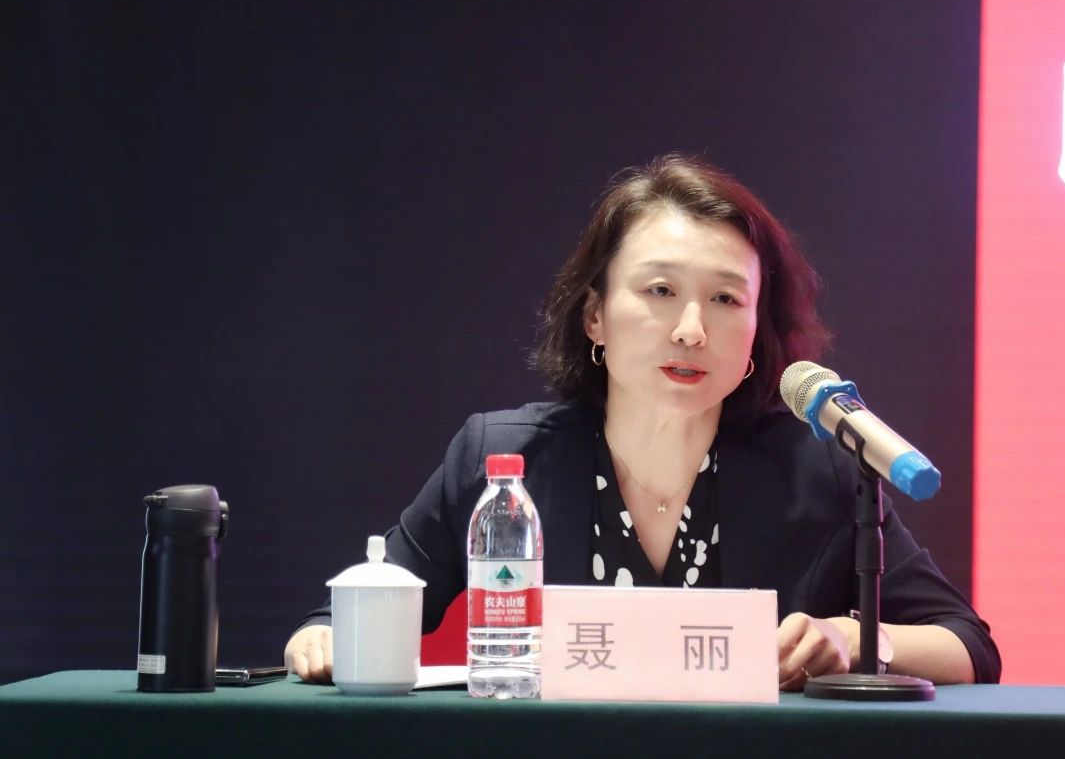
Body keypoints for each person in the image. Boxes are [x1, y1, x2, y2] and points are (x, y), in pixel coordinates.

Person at [285, 154, 1000, 687]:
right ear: (595, 315)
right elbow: (344, 620)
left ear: (758, 329)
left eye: (725, 299)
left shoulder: (819, 472)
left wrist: (855, 636)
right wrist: (320, 640)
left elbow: (969, 646)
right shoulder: (501, 461)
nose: (691, 329)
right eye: (660, 290)